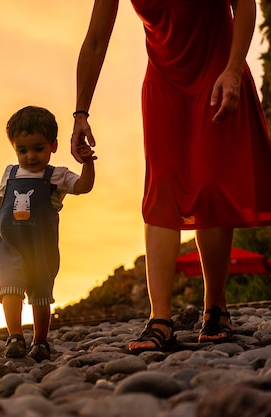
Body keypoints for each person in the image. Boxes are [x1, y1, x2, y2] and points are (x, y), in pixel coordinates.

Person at [72, 0, 271, 353]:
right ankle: (160, 319)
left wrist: (233, 68)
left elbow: (244, 3)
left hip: (218, 72)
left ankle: (216, 307)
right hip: (165, 82)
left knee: (210, 184)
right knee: (161, 189)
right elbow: (95, 40)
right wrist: (80, 113)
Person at [0, 105, 96, 362]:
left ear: (53, 145)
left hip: (41, 248)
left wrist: (87, 165)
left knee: (40, 294)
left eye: (38, 148)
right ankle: (15, 336)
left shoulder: (56, 176)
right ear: (14, 148)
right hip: (10, 246)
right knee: (10, 290)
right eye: (22, 150)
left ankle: (40, 341)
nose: (30, 157)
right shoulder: (10, 173)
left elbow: (83, 187)